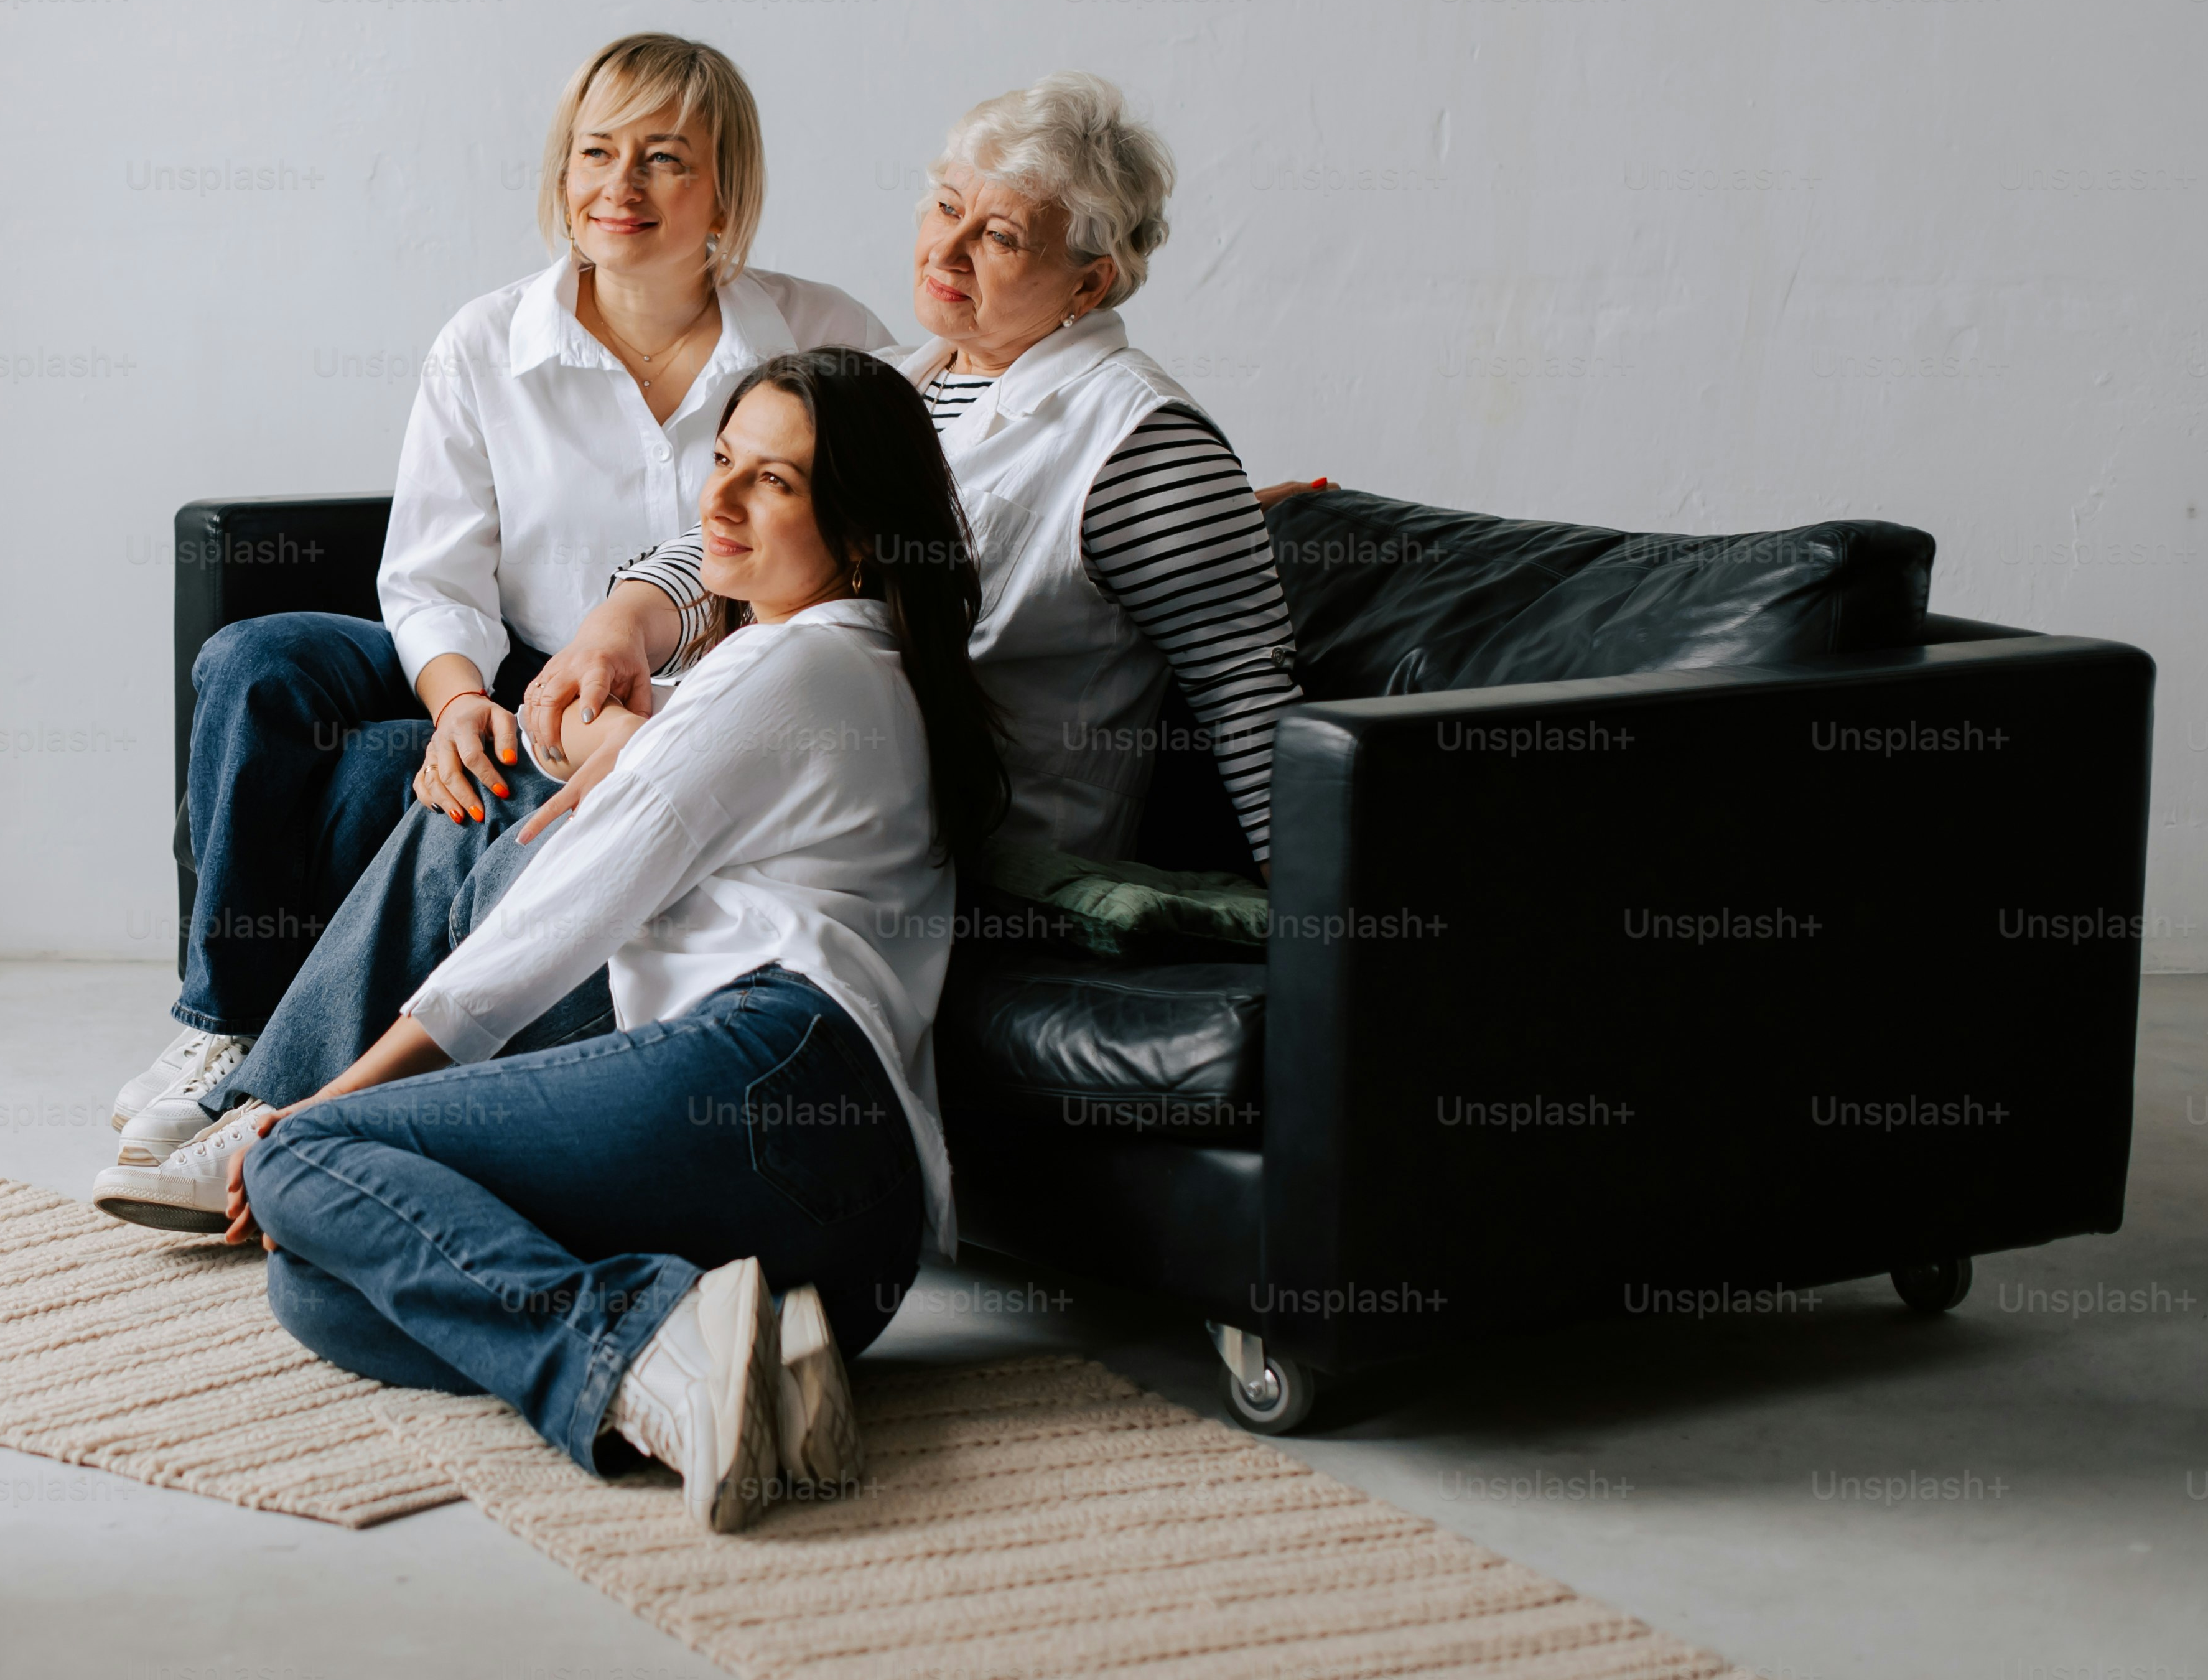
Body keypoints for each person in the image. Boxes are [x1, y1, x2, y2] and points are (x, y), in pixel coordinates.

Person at [91, 73, 1302, 1222]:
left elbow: (1258, 709)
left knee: (514, 797)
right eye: (943, 206)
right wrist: (622, 624)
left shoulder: (1143, 445)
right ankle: (280, 1109)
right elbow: (735, 535)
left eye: (1000, 238)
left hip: (944, 825)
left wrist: (1324, 932)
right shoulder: (913, 373)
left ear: (1091, 285)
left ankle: (276, 1118)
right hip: (789, 758)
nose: (943, 251)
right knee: (455, 774)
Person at [198, 350, 1002, 1533]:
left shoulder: (791, 665)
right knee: (318, 1288)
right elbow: (694, 751)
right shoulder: (862, 664)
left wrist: (323, 1109)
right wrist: (632, 734)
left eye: (772, 482)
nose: (718, 503)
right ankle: (704, 1345)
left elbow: (547, 925)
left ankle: (630, 1361)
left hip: (773, 1078)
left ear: (863, 526)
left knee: (306, 1167)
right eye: (721, 461)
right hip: (845, 1237)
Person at [114, 35, 889, 1154]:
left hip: (695, 697)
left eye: (664, 159)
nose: (619, 189)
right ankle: (223, 1024)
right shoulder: (484, 341)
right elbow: (429, 575)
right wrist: (455, 702)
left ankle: (306, 1097)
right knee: (256, 657)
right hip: (501, 656)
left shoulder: (828, 337)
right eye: (595, 153)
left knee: (391, 779)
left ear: (727, 188)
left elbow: (881, 525)